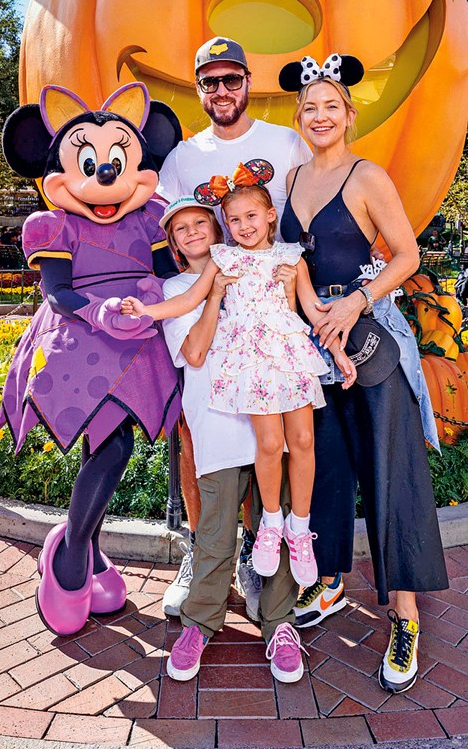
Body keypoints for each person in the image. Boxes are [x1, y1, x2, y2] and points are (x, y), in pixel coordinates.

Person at [278, 54, 447, 694]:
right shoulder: (290, 178)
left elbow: (408, 254)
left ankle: (404, 615)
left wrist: (355, 302)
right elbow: (286, 257)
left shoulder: (366, 175)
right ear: (299, 116)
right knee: (319, 465)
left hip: (370, 339)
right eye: (310, 107)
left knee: (387, 472)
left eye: (331, 106)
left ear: (348, 115)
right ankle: (326, 581)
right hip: (309, 345)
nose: (320, 116)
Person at [123, 183, 353, 587]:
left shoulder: (291, 258)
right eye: (234, 219)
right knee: (267, 444)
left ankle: (299, 529)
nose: (244, 225)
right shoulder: (223, 258)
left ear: (269, 216)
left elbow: (317, 313)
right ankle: (270, 523)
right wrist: (148, 310)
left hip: (290, 356)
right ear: (225, 226)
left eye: (251, 216)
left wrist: (340, 354)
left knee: (301, 442)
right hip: (251, 361)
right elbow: (190, 299)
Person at [155, 36, 312, 620]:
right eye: (209, 81)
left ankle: (257, 552)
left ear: (248, 81)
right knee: (200, 442)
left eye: (231, 78)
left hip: (269, 324)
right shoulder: (182, 159)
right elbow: (171, 229)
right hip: (210, 312)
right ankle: (203, 552)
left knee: (266, 443)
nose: (221, 90)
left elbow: (304, 217)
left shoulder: (284, 143)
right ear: (199, 89)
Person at [152, 198, 307, 685]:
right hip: (218, 426)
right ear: (174, 244)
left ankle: (280, 624)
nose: (193, 232)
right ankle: (200, 623)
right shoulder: (177, 287)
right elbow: (194, 353)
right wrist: (214, 294)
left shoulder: (256, 267)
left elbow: (291, 325)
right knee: (215, 534)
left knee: (274, 523)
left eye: (201, 222)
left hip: (269, 422)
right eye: (181, 229)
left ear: (218, 229)